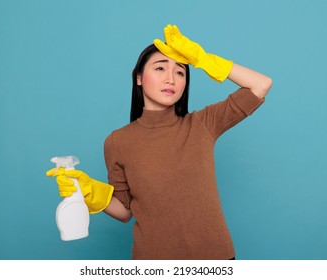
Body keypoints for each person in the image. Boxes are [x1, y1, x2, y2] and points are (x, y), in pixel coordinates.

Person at [46, 24, 272, 260]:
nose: (170, 79)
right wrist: (89, 191)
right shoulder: (118, 141)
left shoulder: (203, 124)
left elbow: (261, 84)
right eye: (160, 68)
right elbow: (124, 211)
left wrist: (203, 59)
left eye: (180, 72)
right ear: (139, 78)